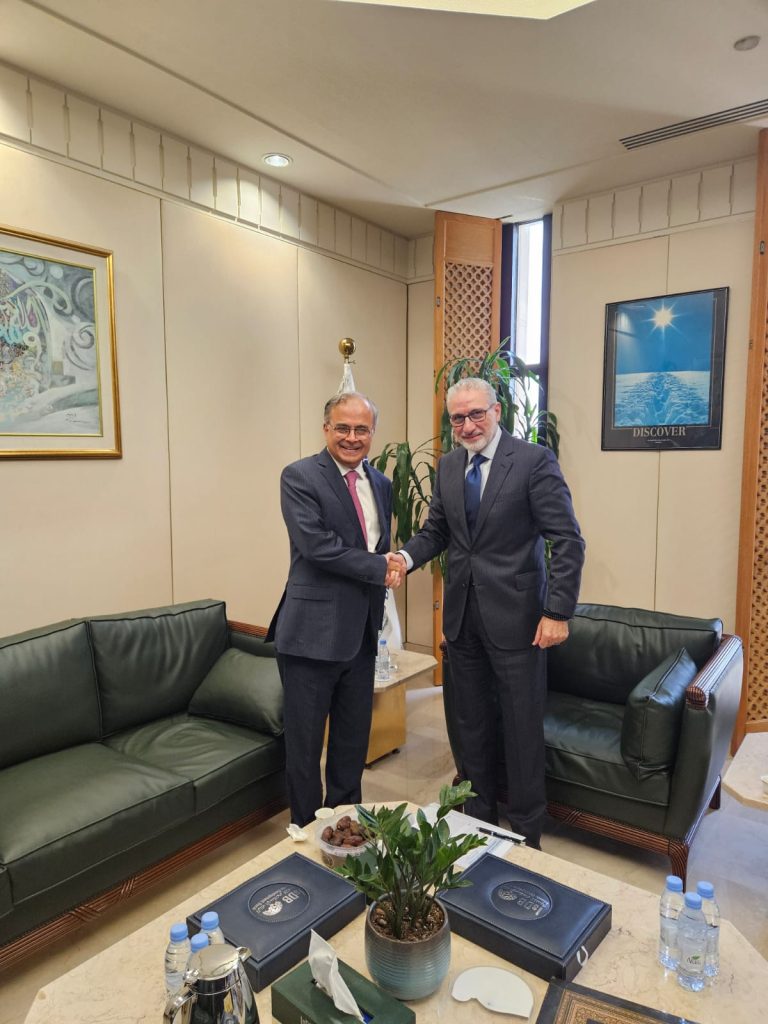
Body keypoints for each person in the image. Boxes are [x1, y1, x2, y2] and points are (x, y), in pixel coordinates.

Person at [389, 377, 584, 847]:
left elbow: (567, 540)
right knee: (469, 726)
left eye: (477, 413)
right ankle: (478, 824)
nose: (468, 425)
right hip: (462, 621)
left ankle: (528, 835)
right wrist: (406, 558)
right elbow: (437, 531)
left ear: (497, 412)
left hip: (519, 621)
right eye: (458, 417)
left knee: (520, 730)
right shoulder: (449, 466)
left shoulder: (533, 461)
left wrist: (557, 611)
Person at [267, 392, 403, 827]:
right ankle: (306, 834)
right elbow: (317, 546)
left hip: (361, 635)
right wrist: (381, 567)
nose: (351, 437)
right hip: (311, 635)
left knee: (351, 744)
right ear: (326, 428)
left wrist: (386, 566)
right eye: (342, 427)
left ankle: (344, 827)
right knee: (305, 750)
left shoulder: (381, 483)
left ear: (372, 433)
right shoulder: (300, 476)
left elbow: (376, 545)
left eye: (361, 429)